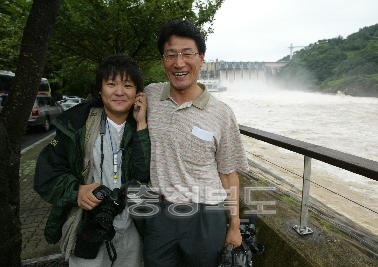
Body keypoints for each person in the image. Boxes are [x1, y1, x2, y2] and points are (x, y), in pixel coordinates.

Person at [142, 20, 249, 267]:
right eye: (171, 55)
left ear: (201, 58)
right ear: (163, 61)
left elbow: (228, 174)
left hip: (205, 216)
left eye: (187, 53)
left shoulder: (222, 113)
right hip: (159, 214)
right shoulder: (151, 96)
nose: (179, 63)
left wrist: (234, 226)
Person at [34, 53, 150, 267]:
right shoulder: (77, 126)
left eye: (127, 85)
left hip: (130, 227)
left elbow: (145, 175)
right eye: (111, 84)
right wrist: (77, 190)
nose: (119, 92)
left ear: (137, 92)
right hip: (88, 224)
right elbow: (46, 174)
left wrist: (142, 125)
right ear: (100, 89)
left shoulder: (145, 126)